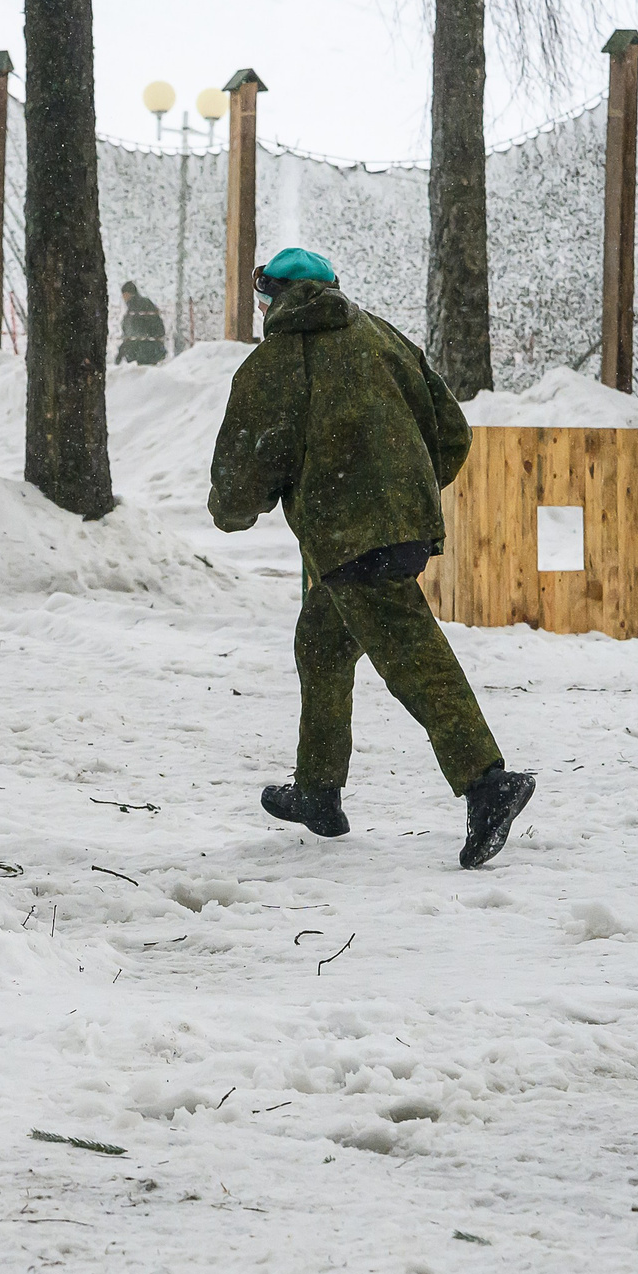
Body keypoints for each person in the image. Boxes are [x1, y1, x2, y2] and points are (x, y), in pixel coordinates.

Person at [208, 247, 536, 868]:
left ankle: (486, 782)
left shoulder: (273, 364)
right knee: (322, 643)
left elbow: (244, 469)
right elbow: (451, 431)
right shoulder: (382, 338)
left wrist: (234, 511)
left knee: (411, 655)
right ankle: (318, 791)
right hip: (397, 527)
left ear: (271, 300)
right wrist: (404, 493)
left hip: (344, 537)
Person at [117, 281, 169, 365]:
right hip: (151, 350)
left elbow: (132, 333)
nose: (123, 298)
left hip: (142, 351)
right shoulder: (143, 305)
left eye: (124, 295)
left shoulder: (135, 309)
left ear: (128, 294)